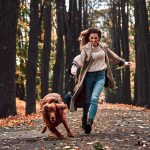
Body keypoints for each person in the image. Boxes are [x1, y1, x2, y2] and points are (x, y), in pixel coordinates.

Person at [69, 27, 131, 134]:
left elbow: (112, 56)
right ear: (89, 38)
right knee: (87, 101)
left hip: (101, 75)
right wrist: (74, 66)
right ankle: (84, 118)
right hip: (88, 76)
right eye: (91, 38)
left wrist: (123, 63)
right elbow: (80, 58)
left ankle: (89, 122)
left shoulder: (103, 47)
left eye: (96, 38)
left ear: (99, 38)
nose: (93, 40)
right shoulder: (86, 48)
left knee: (94, 98)